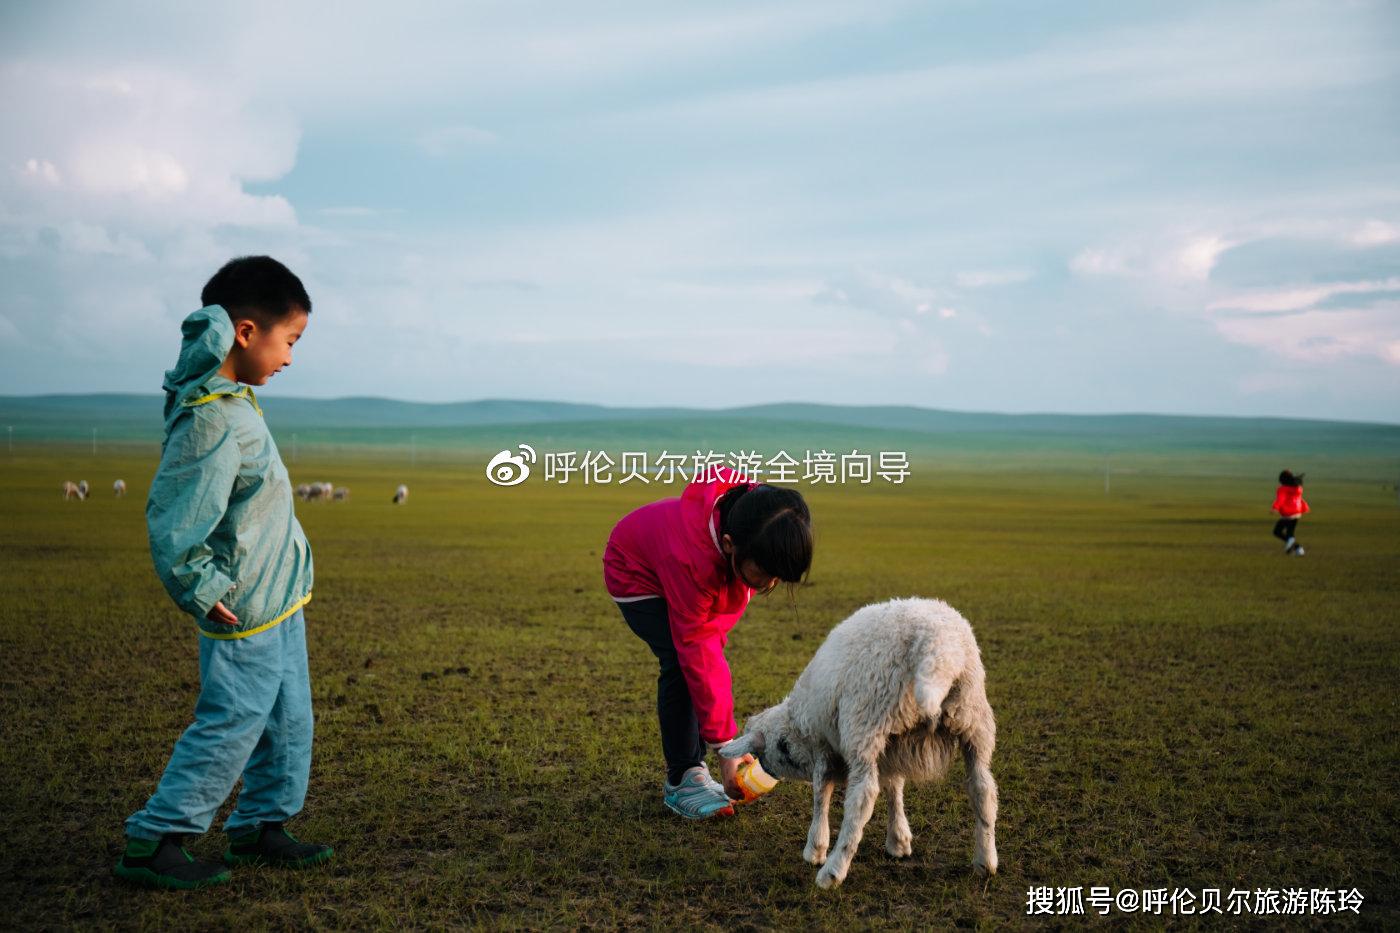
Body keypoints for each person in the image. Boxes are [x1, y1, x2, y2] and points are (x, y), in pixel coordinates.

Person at [115, 256, 331, 889]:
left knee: (290, 719)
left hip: (279, 599)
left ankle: (260, 826)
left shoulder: (238, 404)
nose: (290, 357)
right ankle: (155, 840)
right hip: (239, 604)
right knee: (232, 722)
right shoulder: (210, 416)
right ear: (244, 332)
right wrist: (202, 589)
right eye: (288, 341)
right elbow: (178, 518)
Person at [603, 466, 813, 819]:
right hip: (636, 574)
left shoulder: (757, 517)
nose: (770, 584)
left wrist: (726, 738)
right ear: (730, 545)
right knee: (680, 662)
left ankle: (697, 763)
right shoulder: (692, 562)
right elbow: (698, 651)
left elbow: (711, 645)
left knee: (701, 663)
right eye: (765, 573)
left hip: (677, 563)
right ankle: (683, 778)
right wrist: (727, 746)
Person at [1271, 469, 1310, 556]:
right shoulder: (1297, 488)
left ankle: (1292, 545)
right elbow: (1300, 499)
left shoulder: (1282, 489)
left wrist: (1275, 508)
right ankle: (1299, 549)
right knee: (1290, 532)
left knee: (1277, 531)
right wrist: (1305, 507)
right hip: (1297, 513)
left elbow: (1280, 499)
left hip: (1288, 514)